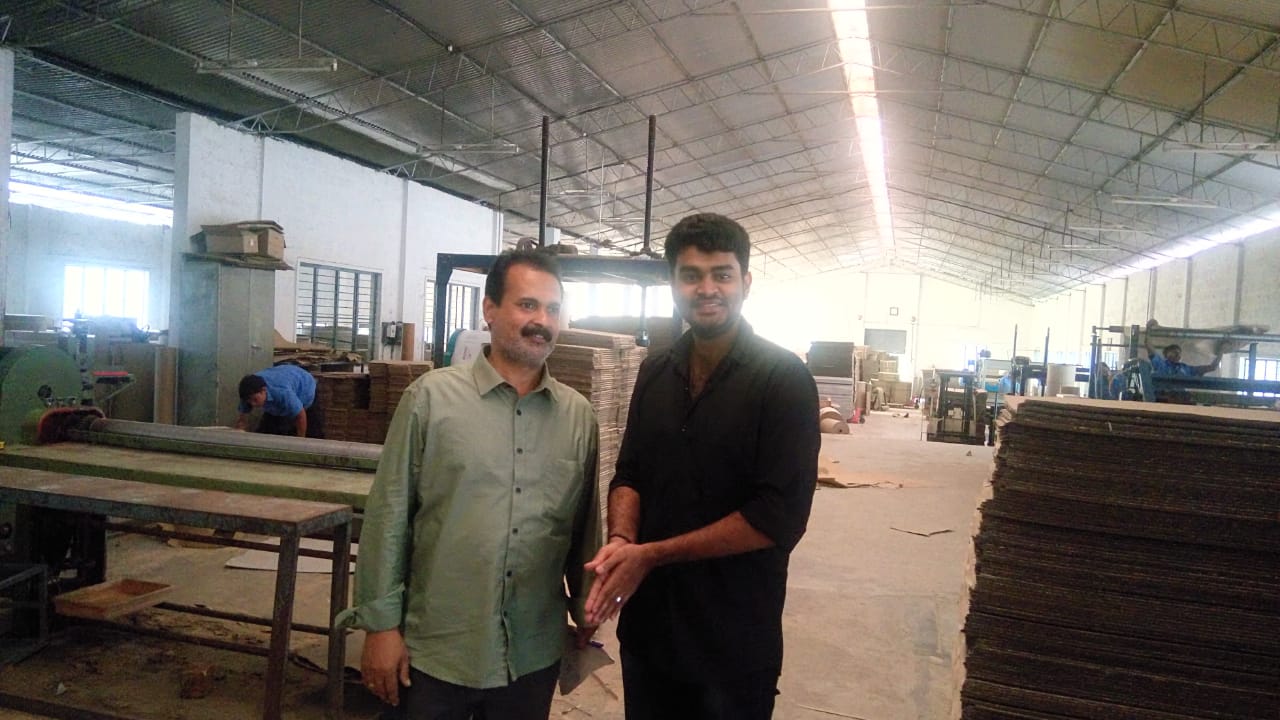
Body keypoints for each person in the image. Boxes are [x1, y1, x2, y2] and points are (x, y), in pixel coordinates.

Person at [339, 249, 601, 719]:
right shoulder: (430, 400)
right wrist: (380, 627)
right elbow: (389, 518)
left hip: (532, 653)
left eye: (553, 308)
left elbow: (584, 528)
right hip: (437, 650)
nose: (542, 321)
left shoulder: (578, 417)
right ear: (490, 309)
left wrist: (585, 605)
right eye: (527, 305)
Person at [583, 213, 820, 720]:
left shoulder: (783, 380)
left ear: (746, 283)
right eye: (691, 275)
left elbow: (777, 516)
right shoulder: (655, 370)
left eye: (722, 274)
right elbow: (629, 473)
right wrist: (623, 540)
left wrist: (651, 555)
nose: (707, 288)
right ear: (673, 284)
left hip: (732, 642)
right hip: (650, 634)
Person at [236, 364, 324, 437]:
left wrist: (300, 441)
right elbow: (242, 420)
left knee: (311, 432)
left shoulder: (281, 392)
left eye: (255, 400)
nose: (253, 404)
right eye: (249, 401)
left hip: (304, 385)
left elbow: (301, 415)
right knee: (267, 431)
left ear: (263, 390)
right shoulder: (248, 392)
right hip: (282, 378)